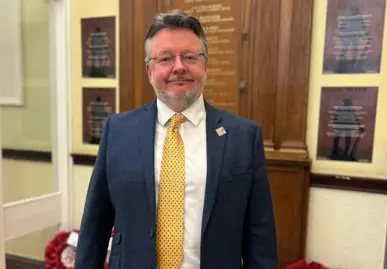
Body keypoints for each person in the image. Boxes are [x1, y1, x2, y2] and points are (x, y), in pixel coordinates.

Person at [74, 10, 278, 269]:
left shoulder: (244, 136)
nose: (179, 66)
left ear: (205, 65)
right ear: (150, 70)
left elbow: (260, 234)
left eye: (190, 57)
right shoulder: (118, 131)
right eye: (166, 58)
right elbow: (95, 224)